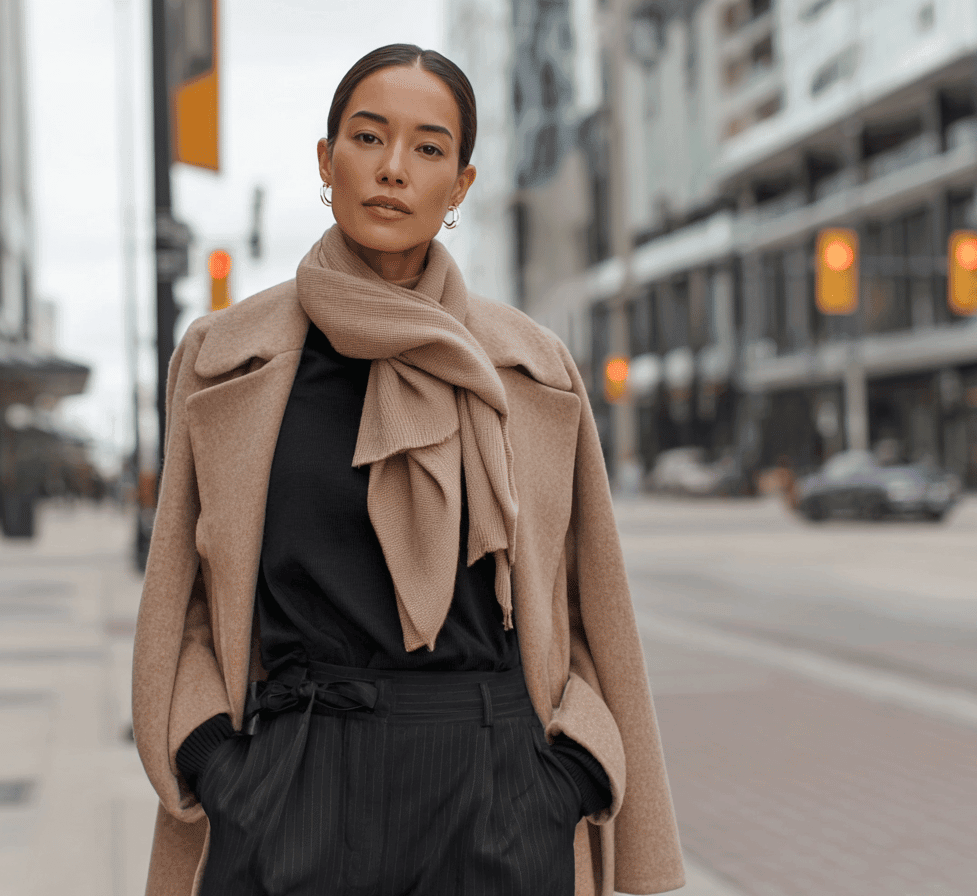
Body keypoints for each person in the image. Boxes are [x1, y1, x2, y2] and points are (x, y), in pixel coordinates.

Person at [132, 44, 683, 896]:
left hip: (498, 790)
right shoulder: (225, 359)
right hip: (291, 785)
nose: (393, 169)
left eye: (429, 149)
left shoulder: (530, 368)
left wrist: (573, 771)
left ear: (460, 187)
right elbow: (185, 599)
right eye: (367, 137)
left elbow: (588, 602)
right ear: (326, 160)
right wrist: (218, 762)